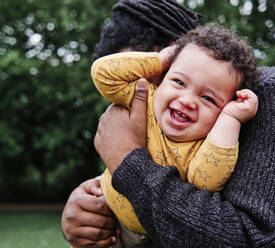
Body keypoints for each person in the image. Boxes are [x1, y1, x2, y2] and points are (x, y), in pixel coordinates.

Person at [62, 0, 275, 247]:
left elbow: (249, 238)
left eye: (139, 73)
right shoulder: (162, 110)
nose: (185, 101)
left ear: (170, 55)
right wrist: (88, 207)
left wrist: (127, 161)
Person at [91, 24, 258, 240]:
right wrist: (159, 60)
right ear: (162, 77)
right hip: (108, 218)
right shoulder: (145, 98)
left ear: (224, 108)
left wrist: (230, 119)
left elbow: (207, 182)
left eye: (208, 98)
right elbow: (103, 74)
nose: (187, 100)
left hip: (160, 234)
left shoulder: (206, 144)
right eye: (178, 81)